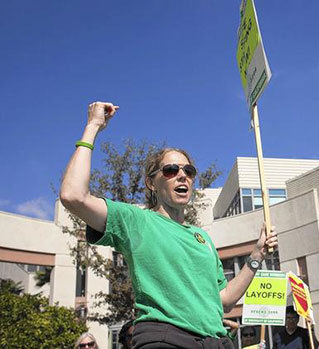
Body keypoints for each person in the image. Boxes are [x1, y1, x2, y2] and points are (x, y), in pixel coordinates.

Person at [60, 101, 277, 348]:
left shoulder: (202, 238)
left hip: (216, 341)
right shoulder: (136, 220)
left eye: (189, 170)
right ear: (151, 183)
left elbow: (225, 300)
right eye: (171, 170)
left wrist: (257, 254)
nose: (182, 174)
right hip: (166, 339)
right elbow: (73, 195)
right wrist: (93, 126)